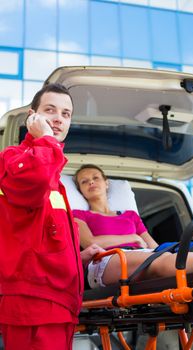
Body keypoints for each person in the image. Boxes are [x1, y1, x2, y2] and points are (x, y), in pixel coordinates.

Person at [0, 84, 103, 350]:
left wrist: (77, 259)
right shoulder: (14, 158)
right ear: (32, 116)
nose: (59, 118)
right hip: (33, 304)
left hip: (58, 304)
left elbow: (40, 239)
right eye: (50, 110)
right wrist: (46, 139)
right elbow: (34, 182)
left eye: (66, 114)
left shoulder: (54, 177)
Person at [73, 164, 193, 289]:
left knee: (174, 249)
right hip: (106, 259)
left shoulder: (130, 215)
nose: (91, 182)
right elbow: (90, 243)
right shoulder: (78, 215)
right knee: (159, 261)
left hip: (140, 254)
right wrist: (132, 237)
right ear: (80, 190)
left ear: (106, 183)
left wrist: (151, 245)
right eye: (84, 181)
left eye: (95, 178)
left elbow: (153, 246)